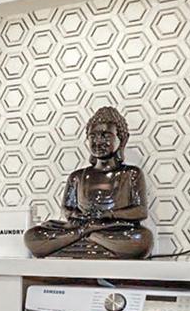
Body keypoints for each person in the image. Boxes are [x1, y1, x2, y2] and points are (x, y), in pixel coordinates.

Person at [24, 106, 153, 258]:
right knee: (32, 236)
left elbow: (140, 211)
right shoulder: (77, 176)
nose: (98, 141)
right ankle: (90, 237)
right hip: (81, 227)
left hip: (112, 228)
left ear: (121, 139)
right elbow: (67, 209)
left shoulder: (131, 173)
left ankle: (80, 239)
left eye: (105, 135)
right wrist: (79, 217)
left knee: (142, 239)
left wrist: (108, 215)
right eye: (93, 136)